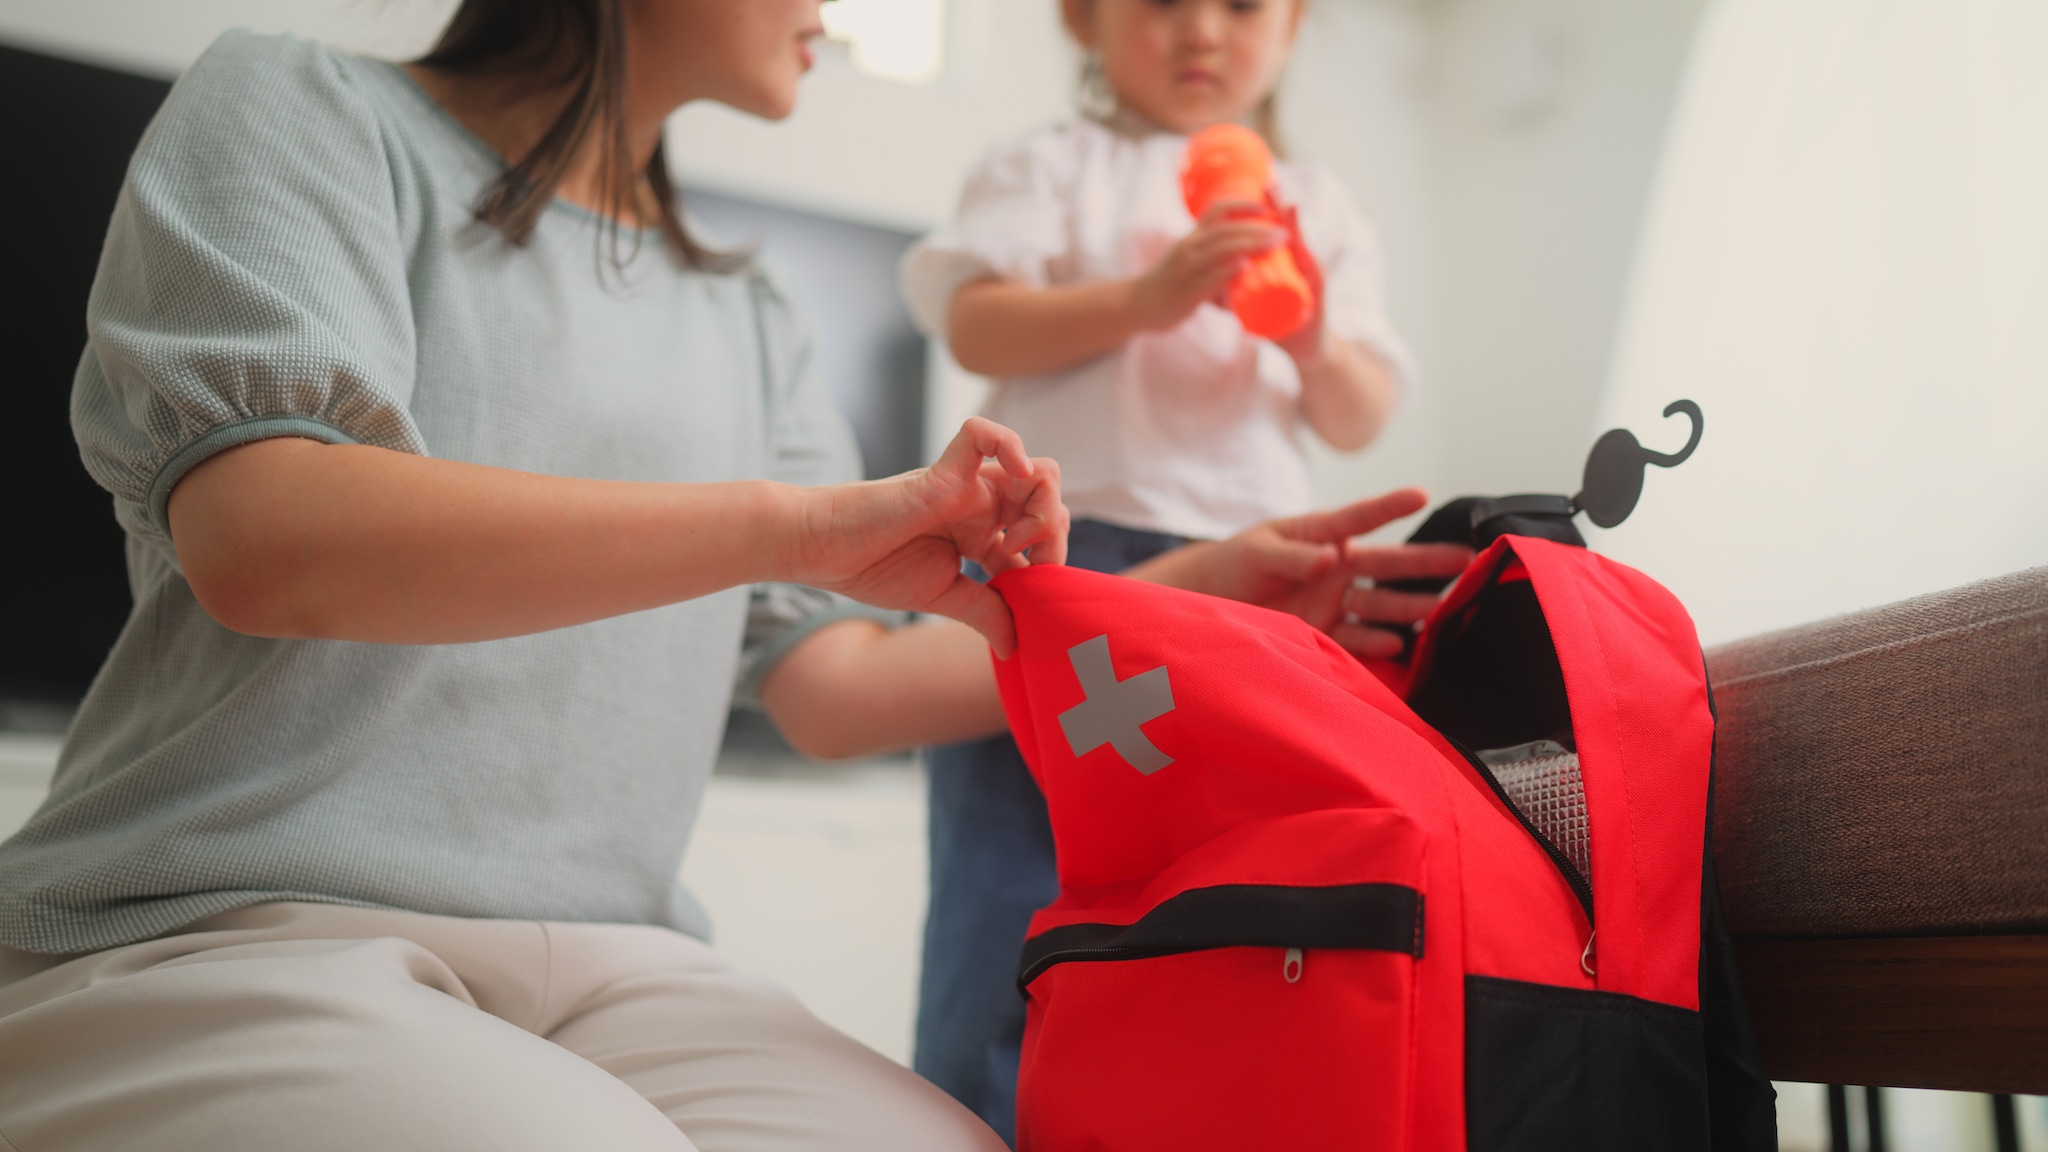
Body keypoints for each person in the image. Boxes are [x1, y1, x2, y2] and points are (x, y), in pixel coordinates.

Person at [0, 1, 1466, 1149]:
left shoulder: (749, 314)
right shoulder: (296, 107)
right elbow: (271, 539)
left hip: (623, 968)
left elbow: (832, 690)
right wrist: (791, 524)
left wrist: (1204, 592)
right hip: (228, 920)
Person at [897, 0, 1422, 1138]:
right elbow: (978, 325)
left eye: (1239, 7)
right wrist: (1145, 299)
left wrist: (1309, 342)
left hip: (1249, 584)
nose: (1199, 32)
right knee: (1008, 875)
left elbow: (1357, 410)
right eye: (1159, 4)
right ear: (1082, 20)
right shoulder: (1053, 163)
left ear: (1291, 26)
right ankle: (972, 1116)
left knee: (1216, 877)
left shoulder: (1315, 205)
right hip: (1064, 564)